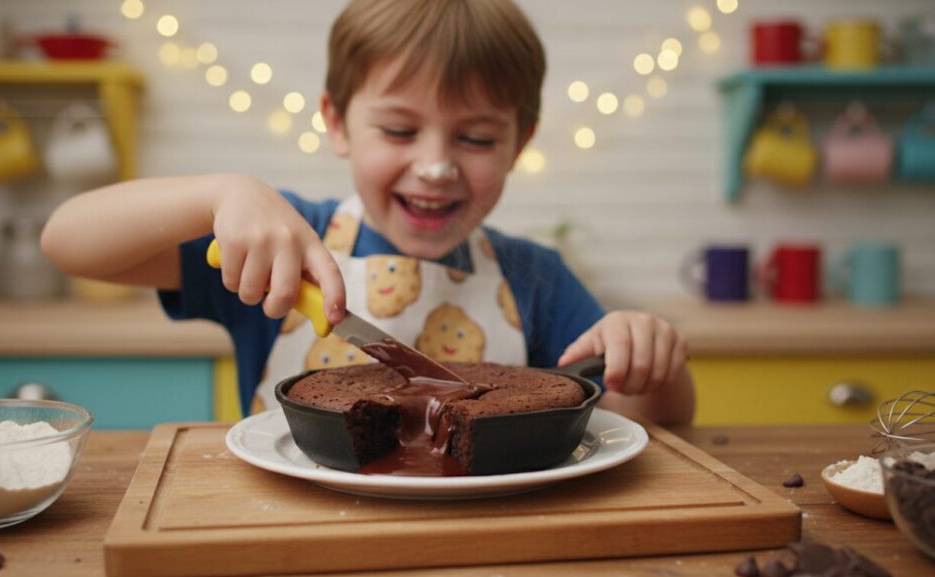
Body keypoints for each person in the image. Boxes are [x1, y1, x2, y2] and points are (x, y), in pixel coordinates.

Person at [41, 0, 695, 424]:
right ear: (336, 122)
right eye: (400, 130)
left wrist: (651, 364)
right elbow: (66, 241)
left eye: (474, 138)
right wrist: (220, 193)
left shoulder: (536, 280)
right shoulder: (280, 246)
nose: (436, 166)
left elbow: (652, 427)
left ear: (519, 143)